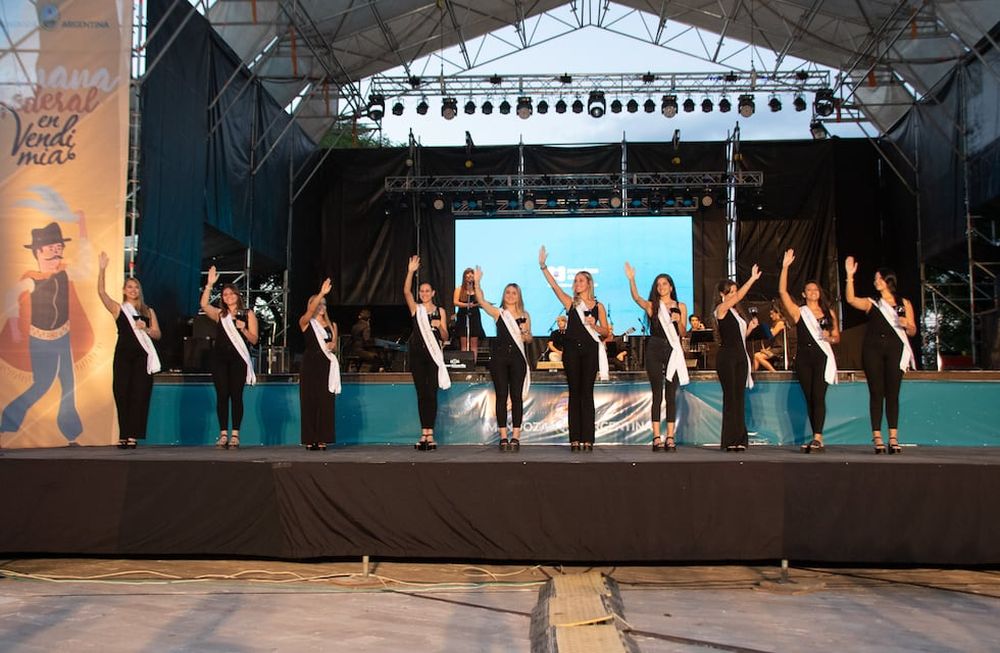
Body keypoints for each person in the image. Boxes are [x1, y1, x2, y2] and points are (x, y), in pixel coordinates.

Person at [1, 220, 94, 443]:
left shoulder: (64, 274)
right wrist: (14, 325)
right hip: (41, 341)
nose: (57, 255)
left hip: (63, 337)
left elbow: (84, 267)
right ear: (39, 252)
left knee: (68, 384)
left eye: (59, 250)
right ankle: (6, 421)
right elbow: (10, 298)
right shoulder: (31, 280)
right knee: (42, 384)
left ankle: (71, 436)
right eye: (52, 250)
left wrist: (82, 231)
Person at [539, 246, 610, 452]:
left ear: (589, 283)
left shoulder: (599, 306)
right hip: (571, 351)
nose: (577, 283)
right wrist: (543, 266)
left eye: (581, 280)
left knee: (587, 393)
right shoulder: (571, 303)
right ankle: (575, 439)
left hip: (590, 351)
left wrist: (593, 324)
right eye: (575, 280)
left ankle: (588, 438)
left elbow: (605, 332)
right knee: (574, 392)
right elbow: (554, 287)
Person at [845, 256, 917, 454]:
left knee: (892, 394)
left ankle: (893, 437)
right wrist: (850, 276)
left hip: (895, 349)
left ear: (888, 280)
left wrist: (907, 325)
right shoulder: (872, 303)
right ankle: (877, 436)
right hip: (873, 349)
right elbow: (851, 299)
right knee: (876, 393)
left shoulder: (904, 303)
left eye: (878, 278)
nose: (875, 281)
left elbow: (912, 331)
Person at [778, 250, 841, 453]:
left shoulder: (828, 312)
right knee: (809, 397)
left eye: (816, 289)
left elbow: (837, 337)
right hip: (804, 358)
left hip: (822, 357)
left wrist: (828, 338)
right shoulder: (800, 312)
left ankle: (818, 437)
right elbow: (783, 293)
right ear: (804, 294)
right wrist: (785, 267)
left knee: (818, 396)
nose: (813, 292)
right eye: (809, 289)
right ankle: (815, 437)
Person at [97, 252, 161, 449]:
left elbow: (158, 334)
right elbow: (101, 294)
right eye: (130, 287)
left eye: (136, 287)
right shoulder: (119, 309)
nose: (133, 290)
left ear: (140, 291)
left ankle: (133, 435)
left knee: (139, 395)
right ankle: (123, 434)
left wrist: (147, 329)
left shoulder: (148, 311)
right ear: (124, 290)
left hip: (143, 358)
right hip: (123, 356)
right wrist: (102, 269)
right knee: (121, 392)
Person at [625, 262, 689, 452]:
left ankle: (670, 435)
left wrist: (678, 321)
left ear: (671, 286)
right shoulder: (653, 306)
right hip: (654, 348)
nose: (661, 287)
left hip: (673, 350)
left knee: (671, 394)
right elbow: (636, 298)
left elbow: (684, 333)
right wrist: (631, 279)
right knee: (657, 394)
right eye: (658, 285)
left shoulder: (680, 306)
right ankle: (656, 436)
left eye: (665, 284)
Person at [473, 267, 532, 452]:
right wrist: (477, 282)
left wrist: (525, 333)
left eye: (514, 293)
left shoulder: (525, 315)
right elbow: (481, 301)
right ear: (504, 295)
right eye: (508, 292)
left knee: (516, 397)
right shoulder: (499, 313)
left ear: (519, 296)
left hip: (517, 359)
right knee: (501, 396)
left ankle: (516, 436)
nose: (510, 295)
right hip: (499, 357)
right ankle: (503, 436)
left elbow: (529, 339)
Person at [200, 265, 258, 449]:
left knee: (236, 395)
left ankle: (235, 435)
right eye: (225, 295)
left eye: (231, 293)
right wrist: (209, 285)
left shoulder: (248, 314)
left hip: (238, 360)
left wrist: (243, 328)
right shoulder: (220, 315)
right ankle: (223, 434)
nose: (229, 297)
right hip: (219, 359)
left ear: (237, 295)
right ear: (223, 299)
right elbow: (203, 305)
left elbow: (254, 339)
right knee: (222, 395)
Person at [714, 265, 763, 452]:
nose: (734, 295)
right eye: (731, 292)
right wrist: (751, 279)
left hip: (741, 357)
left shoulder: (736, 314)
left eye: (735, 291)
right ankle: (729, 440)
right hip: (727, 358)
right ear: (722, 295)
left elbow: (740, 338)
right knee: (730, 398)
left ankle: (740, 439)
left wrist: (750, 328)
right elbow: (739, 298)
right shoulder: (721, 309)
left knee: (739, 398)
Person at [404, 255, 450, 450]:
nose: (423, 293)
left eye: (427, 291)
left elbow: (446, 337)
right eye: (421, 291)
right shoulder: (416, 309)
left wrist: (440, 327)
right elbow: (406, 291)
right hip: (417, 355)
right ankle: (423, 433)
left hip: (433, 356)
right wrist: (411, 271)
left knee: (431, 393)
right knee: (421, 393)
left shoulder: (440, 311)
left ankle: (430, 433)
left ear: (433, 293)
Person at [299, 278, 339, 451]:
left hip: (326, 365)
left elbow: (334, 346)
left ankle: (322, 438)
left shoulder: (332, 325)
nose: (321, 306)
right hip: (310, 363)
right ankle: (310, 438)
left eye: (324, 303)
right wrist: (321, 292)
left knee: (325, 401)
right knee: (309, 400)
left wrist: (332, 346)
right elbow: (308, 313)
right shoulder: (306, 322)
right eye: (318, 303)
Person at [453, 267, 484, 362]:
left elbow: (482, 302)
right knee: (464, 342)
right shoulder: (459, 289)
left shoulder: (478, 290)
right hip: (463, 315)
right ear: (464, 276)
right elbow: (455, 302)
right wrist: (467, 305)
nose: (470, 275)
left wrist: (479, 304)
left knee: (474, 343)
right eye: (468, 273)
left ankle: (473, 363)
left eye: (472, 274)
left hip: (474, 315)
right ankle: (465, 363)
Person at [752, 307, 786, 372]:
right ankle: (752, 374)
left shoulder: (780, 323)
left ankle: (774, 372)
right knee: (755, 356)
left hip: (779, 349)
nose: (771, 316)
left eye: (772, 314)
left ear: (777, 313)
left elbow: (772, 334)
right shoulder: (775, 323)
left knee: (758, 356)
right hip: (774, 348)